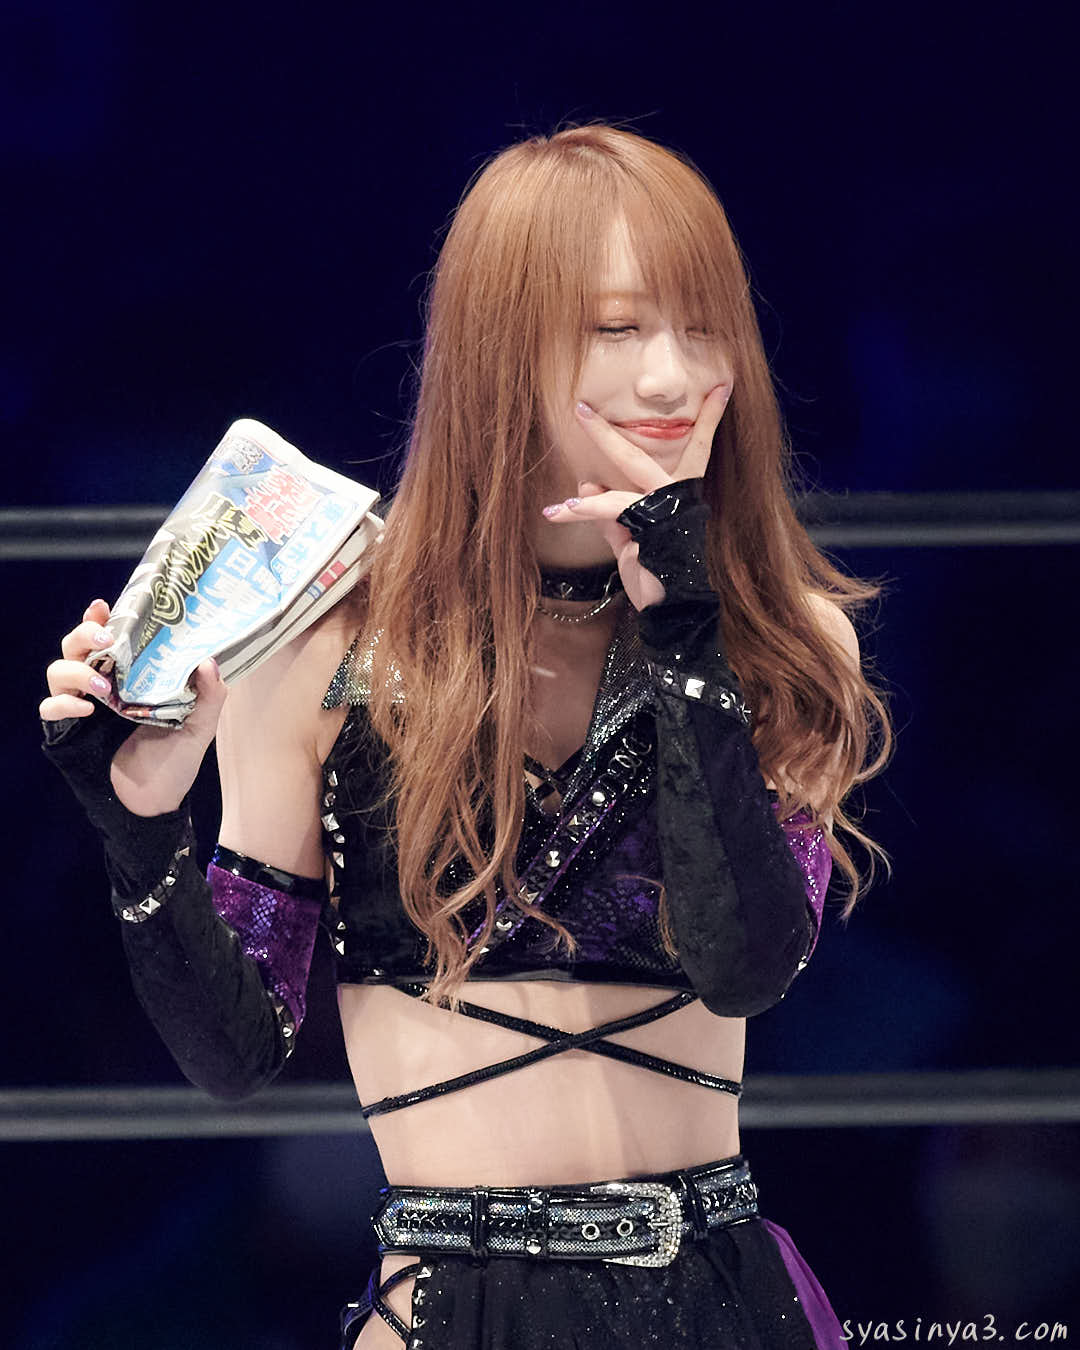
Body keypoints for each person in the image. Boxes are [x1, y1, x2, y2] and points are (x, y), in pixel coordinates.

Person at [41, 124, 892, 1348]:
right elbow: (238, 1050)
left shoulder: (784, 639)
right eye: (617, 328)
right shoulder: (326, 641)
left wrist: (687, 624)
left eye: (704, 328)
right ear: (503, 343)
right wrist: (136, 826)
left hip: (717, 1292)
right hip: (449, 1303)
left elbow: (747, 965)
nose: (671, 377)